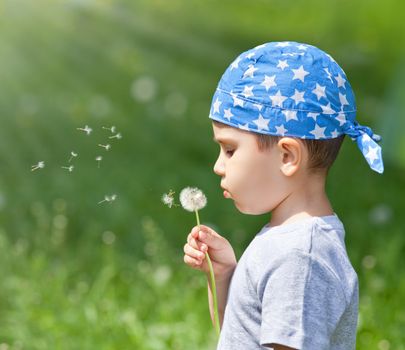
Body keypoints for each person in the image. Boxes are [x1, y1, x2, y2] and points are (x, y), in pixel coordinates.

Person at [183, 41, 384, 349]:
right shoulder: (286, 241)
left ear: (287, 157)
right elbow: (238, 337)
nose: (218, 166)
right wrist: (224, 276)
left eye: (229, 150)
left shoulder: (301, 259)